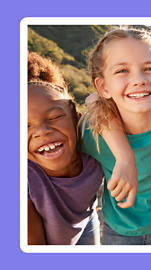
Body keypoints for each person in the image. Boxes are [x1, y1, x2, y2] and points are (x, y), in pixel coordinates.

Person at [80, 27, 151, 245]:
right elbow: (92, 101)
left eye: (149, 68)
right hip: (119, 228)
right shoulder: (90, 134)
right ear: (103, 86)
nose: (138, 79)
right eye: (122, 71)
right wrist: (125, 156)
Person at [27, 51, 103, 245]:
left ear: (78, 119)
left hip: (86, 220)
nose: (41, 132)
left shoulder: (96, 146)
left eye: (54, 118)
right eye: (24, 126)